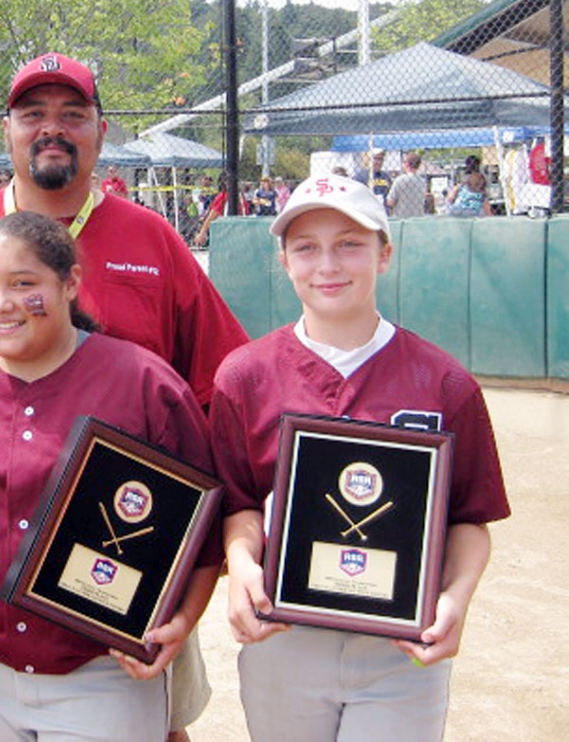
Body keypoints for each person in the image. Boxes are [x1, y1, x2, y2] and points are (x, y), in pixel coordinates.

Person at [0, 52, 249, 742]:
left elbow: (224, 383)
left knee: (160, 723)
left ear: (102, 131)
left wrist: (215, 526)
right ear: (6, 130)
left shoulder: (150, 238)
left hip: (126, 559)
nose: (52, 129)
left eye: (72, 115)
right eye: (33, 114)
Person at [212, 174, 510, 742]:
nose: (328, 264)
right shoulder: (245, 376)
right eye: (306, 247)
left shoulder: (445, 383)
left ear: (385, 254)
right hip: (286, 636)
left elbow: (470, 519)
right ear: (285, 261)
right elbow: (241, 503)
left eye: (350, 243)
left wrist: (456, 599)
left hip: (399, 646)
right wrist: (243, 565)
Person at [0, 211, 222, 742]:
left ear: (70, 284)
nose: (2, 303)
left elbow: (202, 530)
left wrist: (184, 623)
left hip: (104, 665)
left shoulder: (143, 383)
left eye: (24, 284)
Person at [192, 172, 231, 247]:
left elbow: (213, 214)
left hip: (226, 231)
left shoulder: (223, 196)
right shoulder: (238, 195)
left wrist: (202, 233)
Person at [386, 152, 428, 218]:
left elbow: (390, 202)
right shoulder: (422, 182)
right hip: (417, 218)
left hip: (401, 217)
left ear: (407, 164)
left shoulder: (400, 180)